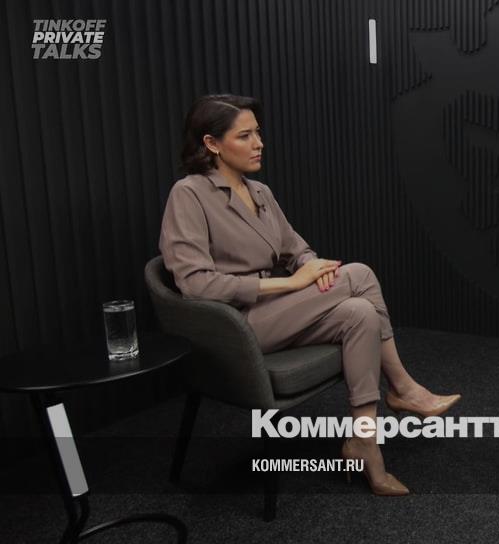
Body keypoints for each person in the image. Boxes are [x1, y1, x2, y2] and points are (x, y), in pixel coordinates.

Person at [159, 94, 461, 496]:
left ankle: (365, 442)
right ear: (212, 143)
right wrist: (291, 283)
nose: (259, 143)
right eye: (245, 136)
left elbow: (296, 250)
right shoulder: (189, 194)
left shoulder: (260, 192)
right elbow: (195, 283)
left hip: (273, 313)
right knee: (360, 274)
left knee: (360, 312)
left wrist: (314, 268)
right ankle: (403, 388)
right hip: (232, 326)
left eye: (258, 133)